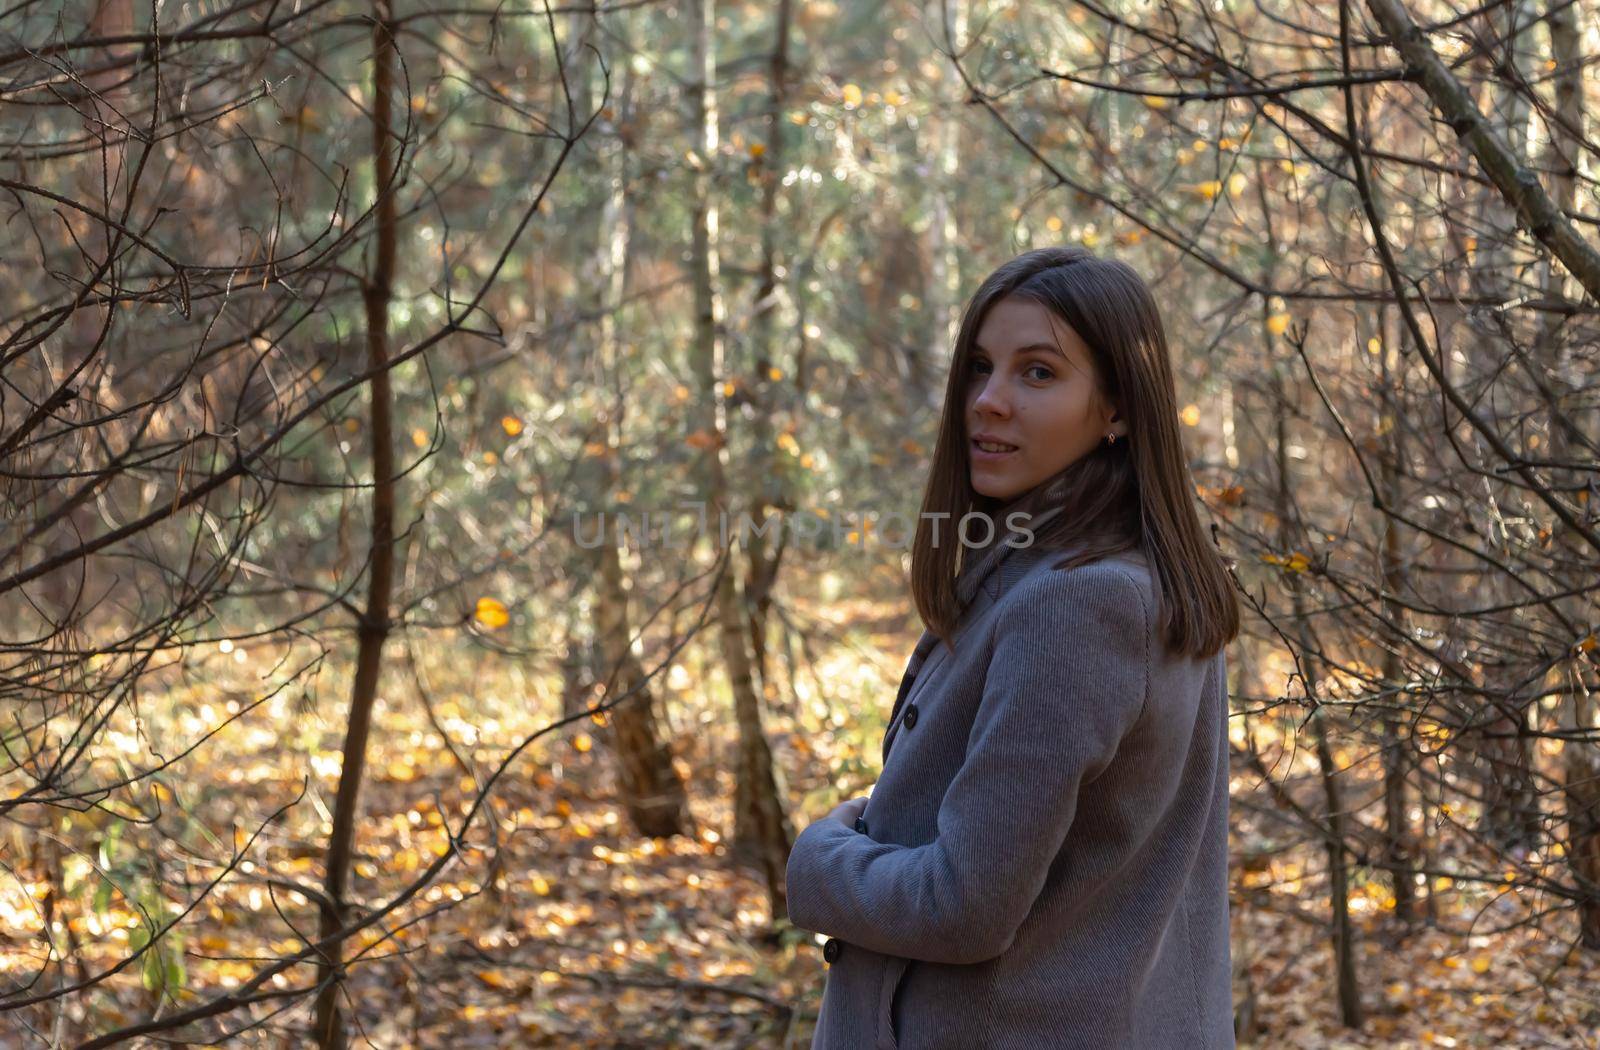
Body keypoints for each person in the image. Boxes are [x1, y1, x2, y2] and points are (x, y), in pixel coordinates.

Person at [784, 246, 1240, 1049]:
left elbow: (965, 905)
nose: (988, 402)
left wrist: (822, 859)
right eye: (981, 368)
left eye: (1038, 373)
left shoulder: (1079, 603)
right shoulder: (1124, 575)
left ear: (1118, 409)